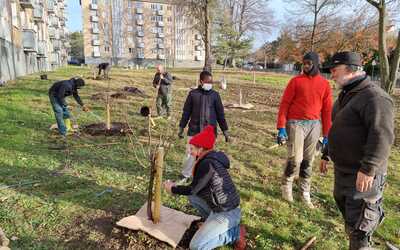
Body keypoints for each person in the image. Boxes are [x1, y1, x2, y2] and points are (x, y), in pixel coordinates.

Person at [320, 51, 394, 250]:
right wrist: (326, 153)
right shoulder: (347, 95)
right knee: (351, 220)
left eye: (335, 69)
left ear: (352, 70)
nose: (332, 74)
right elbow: (338, 128)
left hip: (362, 174)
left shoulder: (375, 98)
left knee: (360, 226)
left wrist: (369, 168)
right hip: (343, 171)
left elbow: (382, 136)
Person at [164, 125, 246, 250]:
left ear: (201, 148)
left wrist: (173, 189)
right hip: (220, 207)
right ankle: (211, 225)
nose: (190, 152)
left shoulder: (208, 164)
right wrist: (177, 186)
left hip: (226, 213)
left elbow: (193, 189)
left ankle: (234, 234)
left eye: (192, 148)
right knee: (192, 197)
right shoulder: (208, 159)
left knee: (196, 246)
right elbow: (195, 189)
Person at [276, 51, 333, 208]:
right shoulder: (295, 81)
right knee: (295, 158)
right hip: (295, 124)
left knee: (308, 160)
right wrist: (281, 127)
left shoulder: (324, 84)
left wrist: (327, 133)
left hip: (314, 125)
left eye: (309, 63)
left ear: (316, 64)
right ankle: (286, 186)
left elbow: (327, 111)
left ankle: (304, 192)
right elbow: (285, 104)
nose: (306, 66)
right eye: (304, 63)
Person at [178, 70, 229, 178]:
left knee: (207, 156)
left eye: (211, 82)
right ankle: (185, 175)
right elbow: (186, 112)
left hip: (209, 132)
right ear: (201, 81)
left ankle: (202, 176)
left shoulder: (215, 95)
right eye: (208, 82)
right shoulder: (193, 94)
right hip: (194, 130)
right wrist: (181, 127)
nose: (210, 84)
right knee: (190, 154)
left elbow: (220, 114)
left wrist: (225, 130)